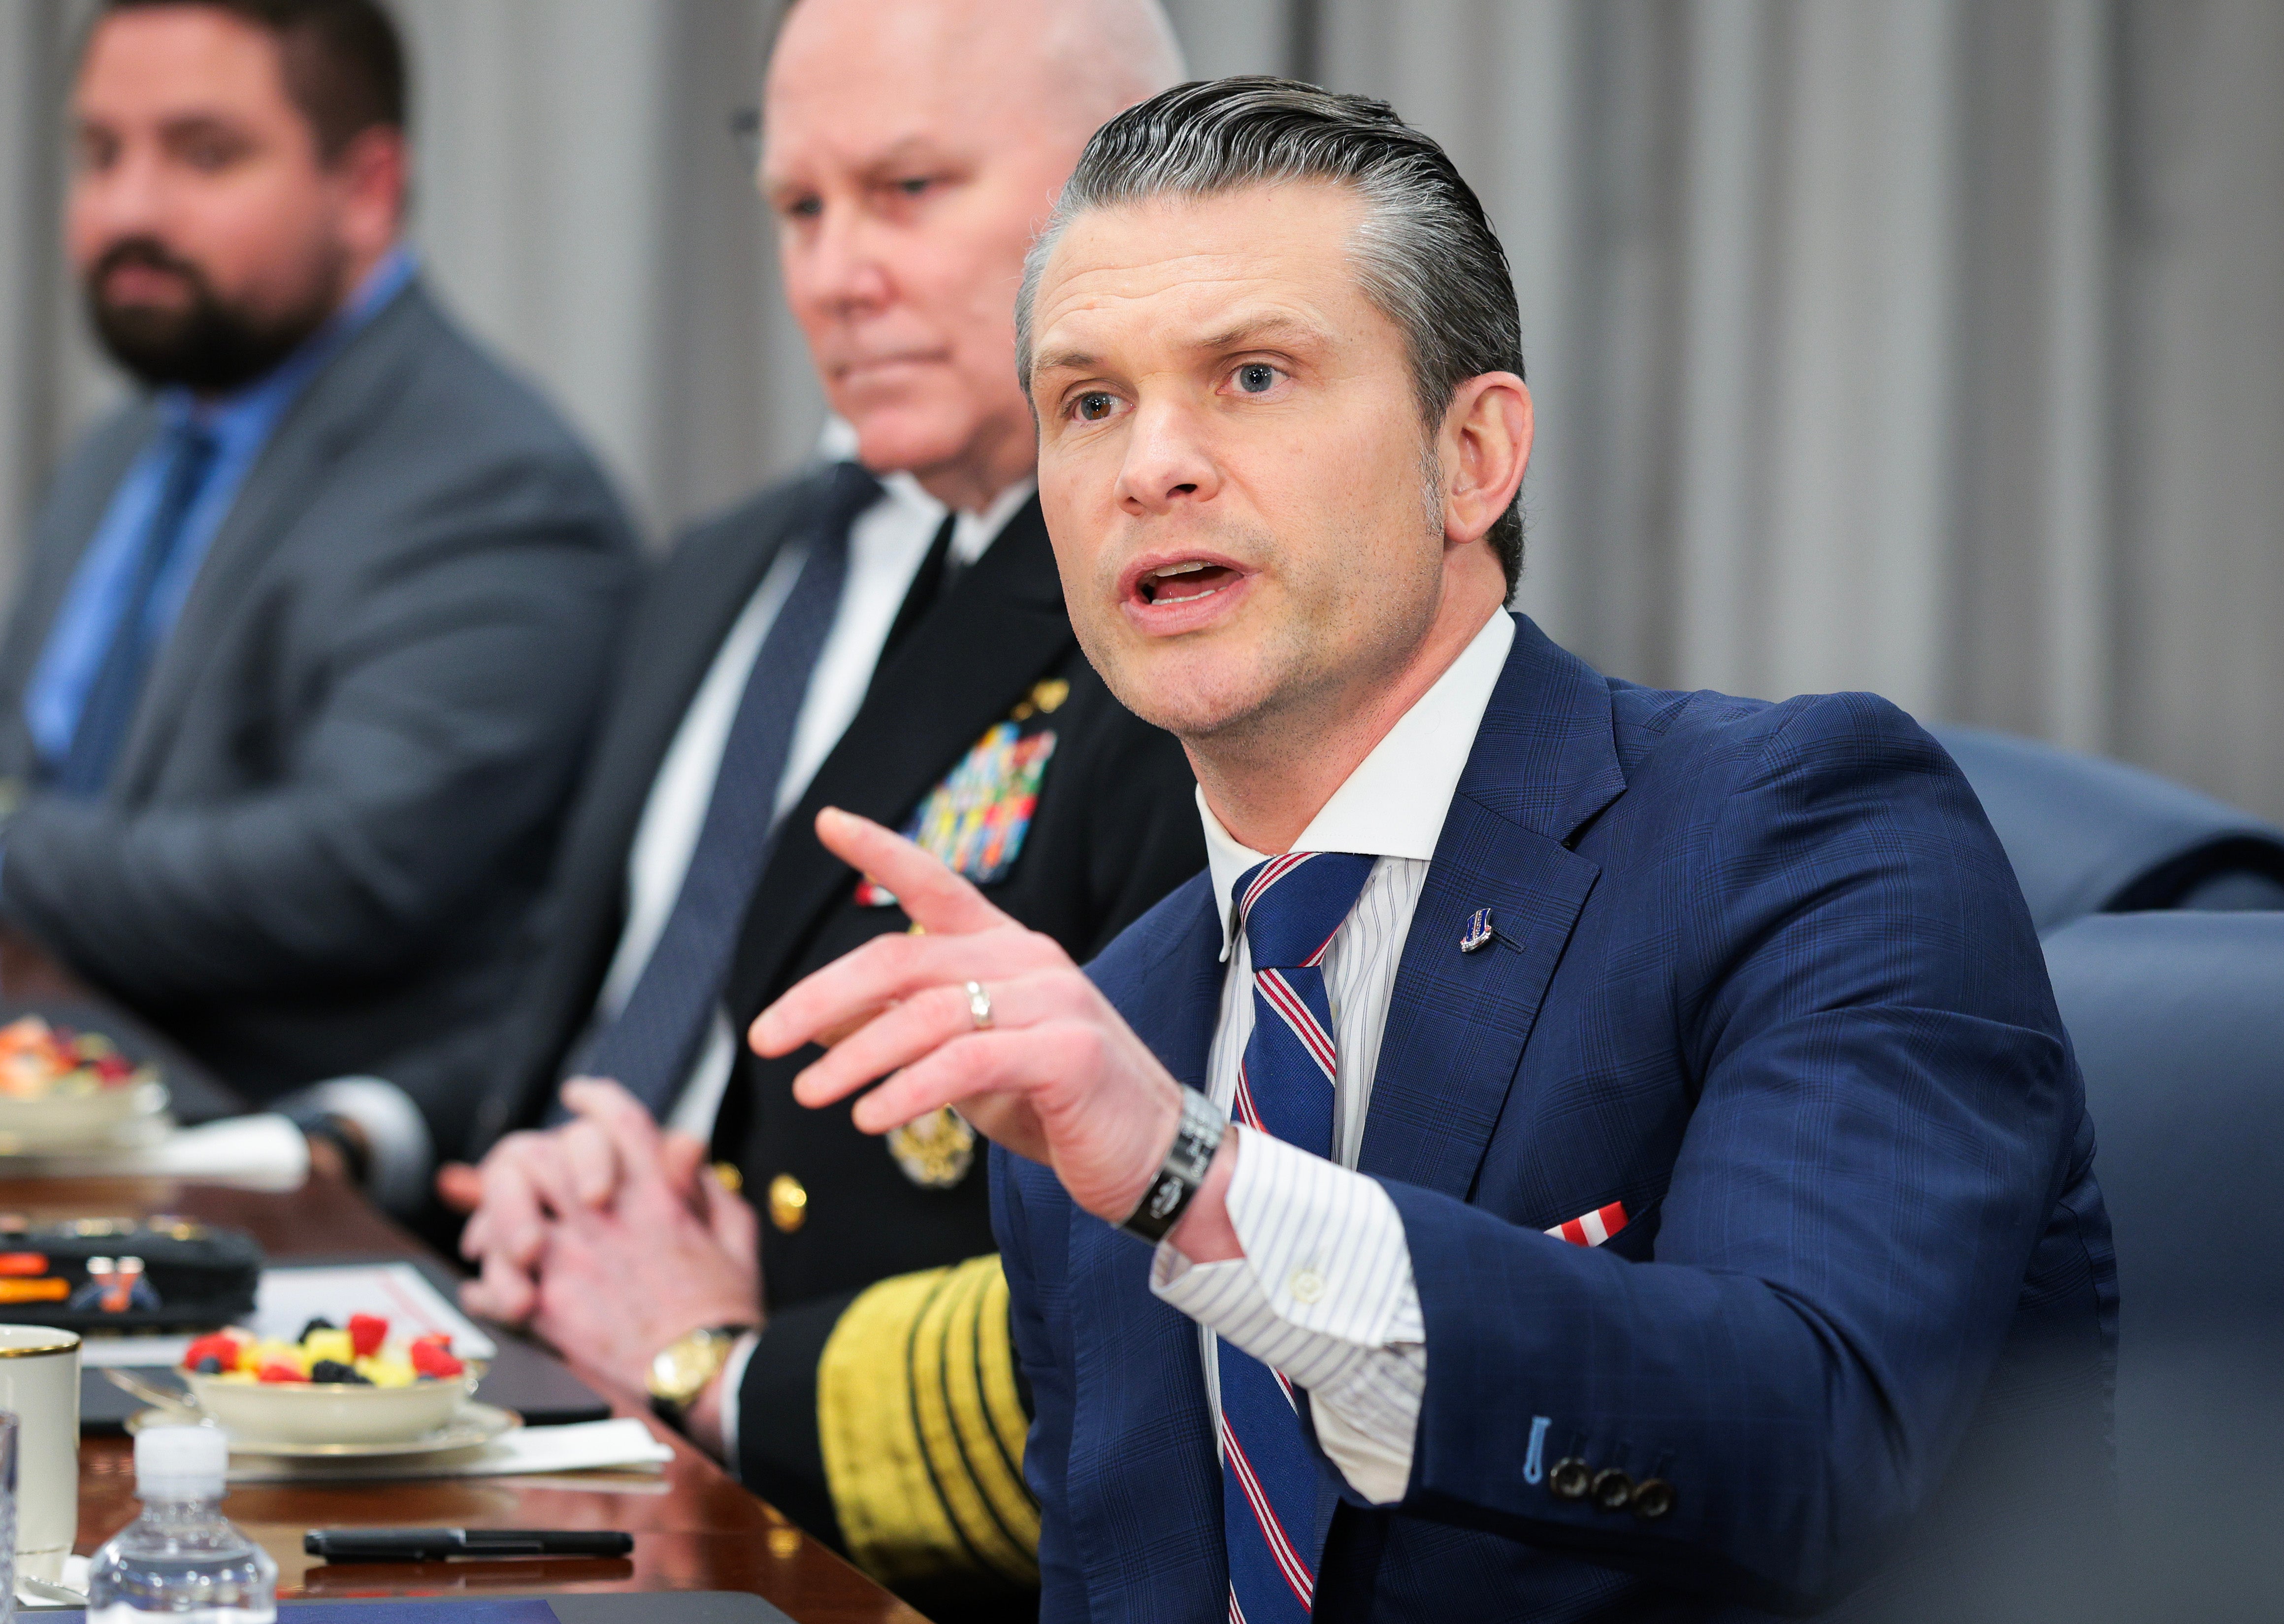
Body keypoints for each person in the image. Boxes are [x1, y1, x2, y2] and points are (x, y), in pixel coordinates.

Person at [750, 78, 2120, 1621]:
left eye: (1254, 375)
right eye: (1089, 403)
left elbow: (1811, 1442)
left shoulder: (1801, 829)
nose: (1152, 468)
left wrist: (1202, 1183)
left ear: (1473, 457)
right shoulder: (1118, 1023)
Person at [439, 0, 1200, 1608]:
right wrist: (593, 1183)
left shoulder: (1186, 610)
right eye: (800, 206)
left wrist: (723, 1339)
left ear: (1118, 191)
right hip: (675, 1425)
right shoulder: (928, 549)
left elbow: (1177, 1265)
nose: (835, 272)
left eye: (910, 188)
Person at [0, 0, 636, 1212]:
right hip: (60, 1122)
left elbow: (347, 869)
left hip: (293, 1197)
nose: (129, 209)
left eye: (204, 153)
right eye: (100, 153)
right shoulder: (128, 443)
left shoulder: (495, 480)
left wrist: (9, 845)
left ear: (365, 186)